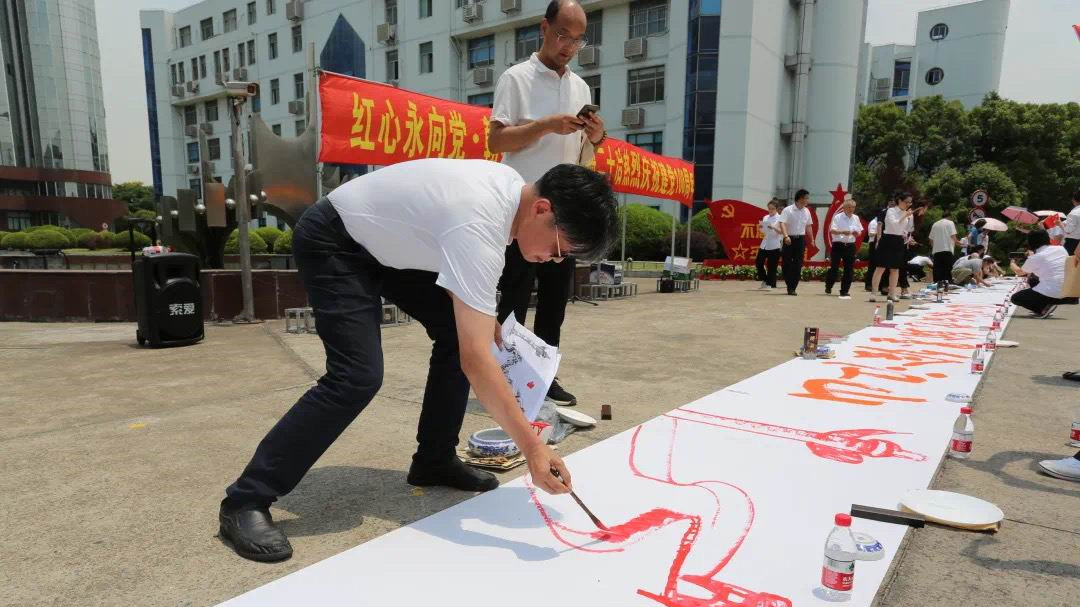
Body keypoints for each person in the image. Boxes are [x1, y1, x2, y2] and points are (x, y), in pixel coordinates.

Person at [217, 159, 619, 562]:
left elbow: (464, 294)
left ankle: (434, 460)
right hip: (336, 240)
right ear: (542, 209)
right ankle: (245, 500)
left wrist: (478, 319)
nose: (555, 260)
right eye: (560, 249)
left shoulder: (509, 197)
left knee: (456, 334)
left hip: (389, 248)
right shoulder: (480, 222)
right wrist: (532, 448)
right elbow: (477, 360)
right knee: (356, 376)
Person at [488, 0, 603, 407]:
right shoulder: (516, 78)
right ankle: (503, 375)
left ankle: (543, 376)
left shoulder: (581, 87)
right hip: (522, 213)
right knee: (514, 297)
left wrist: (595, 137)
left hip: (564, 212)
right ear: (544, 28)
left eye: (578, 40)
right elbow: (496, 140)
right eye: (562, 36)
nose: (568, 47)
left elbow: (582, 153)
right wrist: (545, 126)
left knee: (555, 301)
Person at [868, 192, 923, 302]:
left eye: (910, 202)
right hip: (887, 239)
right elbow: (894, 224)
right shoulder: (891, 211)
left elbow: (907, 229)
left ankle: (892, 293)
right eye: (907, 202)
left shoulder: (907, 213)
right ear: (900, 201)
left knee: (895, 269)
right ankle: (874, 293)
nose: (909, 204)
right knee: (881, 267)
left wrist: (910, 220)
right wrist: (905, 216)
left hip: (899, 240)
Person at [1009, 230, 1068, 318]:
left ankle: (1042, 309)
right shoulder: (1061, 249)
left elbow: (1020, 272)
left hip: (1053, 293)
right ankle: (1046, 305)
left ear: (1031, 242)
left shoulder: (1036, 257)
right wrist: (1033, 255)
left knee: (1016, 298)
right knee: (1033, 280)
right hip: (1068, 293)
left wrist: (1012, 263)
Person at [824, 196, 862, 299]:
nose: (851, 209)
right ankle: (829, 285)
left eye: (853, 207)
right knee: (834, 268)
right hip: (838, 244)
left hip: (850, 245)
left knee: (849, 269)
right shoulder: (838, 217)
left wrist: (856, 233)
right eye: (849, 207)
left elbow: (859, 231)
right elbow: (832, 230)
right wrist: (842, 232)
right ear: (844, 208)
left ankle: (844, 291)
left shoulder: (856, 218)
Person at [779, 189, 813, 296]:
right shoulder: (788, 210)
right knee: (786, 263)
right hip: (789, 239)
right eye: (806, 198)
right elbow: (782, 223)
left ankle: (792, 287)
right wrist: (786, 236)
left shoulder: (807, 211)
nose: (808, 200)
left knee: (798, 264)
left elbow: (808, 226)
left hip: (800, 240)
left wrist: (812, 239)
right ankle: (789, 284)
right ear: (800, 198)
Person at [755, 199, 783, 289]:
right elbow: (764, 231)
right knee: (758, 263)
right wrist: (761, 228)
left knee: (772, 266)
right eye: (769, 208)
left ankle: (770, 284)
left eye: (772, 209)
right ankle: (765, 279)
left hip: (774, 244)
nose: (770, 210)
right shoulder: (765, 217)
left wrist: (773, 227)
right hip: (765, 243)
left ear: (776, 209)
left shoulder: (780, 218)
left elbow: (781, 231)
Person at [928, 213, 960, 285]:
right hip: (947, 249)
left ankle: (937, 283)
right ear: (949, 217)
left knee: (937, 268)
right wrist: (959, 243)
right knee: (947, 268)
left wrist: (934, 247)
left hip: (937, 250)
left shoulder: (935, 224)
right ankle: (947, 283)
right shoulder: (950, 223)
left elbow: (930, 239)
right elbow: (953, 236)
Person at [863, 213, 880, 292]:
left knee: (878, 266)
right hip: (873, 244)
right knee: (872, 266)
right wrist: (880, 233)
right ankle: (868, 284)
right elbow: (870, 233)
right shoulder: (874, 222)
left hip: (879, 244)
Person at [1064, 189, 1080, 255]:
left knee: (1070, 260)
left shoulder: (1074, 213)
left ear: (1073, 200)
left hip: (1073, 243)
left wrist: (1060, 224)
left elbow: (1068, 230)